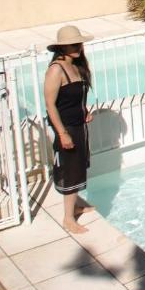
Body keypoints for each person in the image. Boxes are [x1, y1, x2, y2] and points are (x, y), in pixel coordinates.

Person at [43, 25, 94, 234]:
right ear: (62, 47)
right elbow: (50, 104)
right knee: (70, 171)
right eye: (72, 44)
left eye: (78, 43)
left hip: (79, 125)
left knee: (79, 166)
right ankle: (68, 218)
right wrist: (62, 133)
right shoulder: (57, 70)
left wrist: (85, 110)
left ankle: (74, 206)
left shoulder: (77, 66)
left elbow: (75, 97)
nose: (77, 47)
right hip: (67, 128)